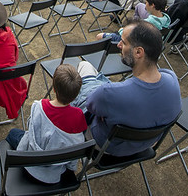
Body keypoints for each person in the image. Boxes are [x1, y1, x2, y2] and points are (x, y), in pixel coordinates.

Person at [78, 21, 181, 156]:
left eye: (124, 42)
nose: (119, 45)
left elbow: (90, 107)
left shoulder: (108, 93)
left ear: (138, 52)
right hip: (144, 145)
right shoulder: (172, 79)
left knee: (84, 67)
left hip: (105, 145)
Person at [5, 64, 87, 183]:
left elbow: (31, 130)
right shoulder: (78, 116)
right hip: (56, 171)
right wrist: (71, 168)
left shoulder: (39, 106)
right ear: (76, 95)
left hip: (30, 162)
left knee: (13, 133)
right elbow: (77, 143)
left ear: (54, 89)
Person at [98, 0, 170, 44]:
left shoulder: (147, 23)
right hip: (150, 44)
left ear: (152, 5)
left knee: (100, 36)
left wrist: (121, 30)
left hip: (135, 43)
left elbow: (127, 34)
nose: (145, 6)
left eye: (146, 3)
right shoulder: (166, 19)